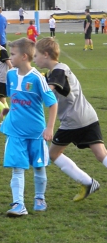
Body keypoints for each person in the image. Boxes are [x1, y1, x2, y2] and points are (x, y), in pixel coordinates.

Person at [34, 37, 103, 202]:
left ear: (46, 54)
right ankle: (88, 183)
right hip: (88, 116)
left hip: (73, 120)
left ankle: (87, 182)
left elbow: (49, 90)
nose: (34, 59)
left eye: (36, 55)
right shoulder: (56, 71)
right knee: (102, 154)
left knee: (53, 154)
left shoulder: (59, 70)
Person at [0, 37, 58, 216]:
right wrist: (8, 111)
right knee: (17, 167)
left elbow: (53, 103)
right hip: (15, 130)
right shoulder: (10, 75)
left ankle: (39, 197)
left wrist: (49, 128)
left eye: (13, 54)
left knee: (39, 166)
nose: (10, 57)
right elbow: (15, 99)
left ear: (24, 56)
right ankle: (18, 204)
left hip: (35, 132)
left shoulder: (38, 78)